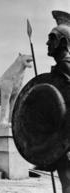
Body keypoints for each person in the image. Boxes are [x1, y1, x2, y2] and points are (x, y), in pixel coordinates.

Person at [46, 10, 70, 193]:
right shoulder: (60, 69)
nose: (47, 42)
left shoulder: (66, 68)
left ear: (63, 42)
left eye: (52, 38)